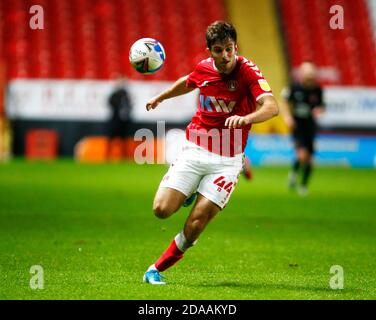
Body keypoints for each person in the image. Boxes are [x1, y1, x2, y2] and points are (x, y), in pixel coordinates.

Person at [143, 21, 279, 284]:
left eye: (230, 49)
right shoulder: (204, 69)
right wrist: (162, 96)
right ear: (210, 51)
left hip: (227, 161)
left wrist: (247, 117)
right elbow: (189, 82)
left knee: (196, 223)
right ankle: (191, 189)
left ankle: (155, 269)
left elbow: (271, 107)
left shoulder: (248, 72)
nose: (226, 56)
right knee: (161, 210)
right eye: (219, 50)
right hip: (195, 149)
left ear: (235, 47)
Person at [280, 62, 325, 196]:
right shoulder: (294, 87)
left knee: (310, 159)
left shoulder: (317, 90)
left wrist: (318, 110)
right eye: (307, 73)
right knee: (302, 155)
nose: (309, 76)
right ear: (302, 74)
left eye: (311, 73)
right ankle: (297, 178)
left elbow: (321, 105)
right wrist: (287, 117)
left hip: (310, 126)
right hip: (297, 126)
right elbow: (284, 101)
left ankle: (302, 183)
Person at [107, 77, 132, 157]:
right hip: (115, 120)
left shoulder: (126, 95)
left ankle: (124, 155)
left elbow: (129, 106)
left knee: (124, 139)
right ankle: (108, 155)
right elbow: (111, 104)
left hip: (124, 121)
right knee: (111, 139)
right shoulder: (114, 95)